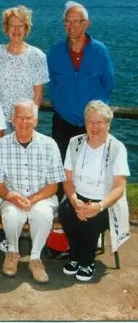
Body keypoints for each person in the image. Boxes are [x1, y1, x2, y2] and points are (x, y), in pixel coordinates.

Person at [0, 99, 64, 283]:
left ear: (36, 121)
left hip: (42, 197)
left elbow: (53, 185)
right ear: (12, 120)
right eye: (19, 117)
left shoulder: (50, 145)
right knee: (11, 213)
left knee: (42, 214)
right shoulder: (0, 146)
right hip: (12, 195)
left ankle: (35, 257)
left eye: (28, 118)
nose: (23, 122)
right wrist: (11, 195)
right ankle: (12, 252)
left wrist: (32, 199)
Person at [59, 100, 130, 282]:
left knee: (93, 218)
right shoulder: (75, 143)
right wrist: (75, 201)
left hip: (106, 201)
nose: (95, 127)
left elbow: (119, 187)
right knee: (66, 211)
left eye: (100, 122)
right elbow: (67, 180)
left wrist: (98, 206)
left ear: (108, 124)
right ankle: (75, 255)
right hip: (79, 196)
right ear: (85, 123)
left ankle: (87, 261)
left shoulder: (117, 148)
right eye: (91, 121)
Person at [48, 1, 114, 161]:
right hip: (63, 121)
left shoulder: (99, 51)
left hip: (92, 123)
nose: (71, 26)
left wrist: (94, 113)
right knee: (62, 170)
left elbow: (108, 84)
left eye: (76, 21)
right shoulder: (55, 52)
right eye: (67, 21)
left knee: (92, 167)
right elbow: (52, 85)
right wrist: (64, 108)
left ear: (87, 24)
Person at [0, 5, 49, 129]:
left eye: (21, 25)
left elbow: (38, 95)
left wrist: (31, 120)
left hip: (24, 121)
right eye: (12, 25)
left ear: (26, 28)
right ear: (6, 28)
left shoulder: (37, 56)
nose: (16, 29)